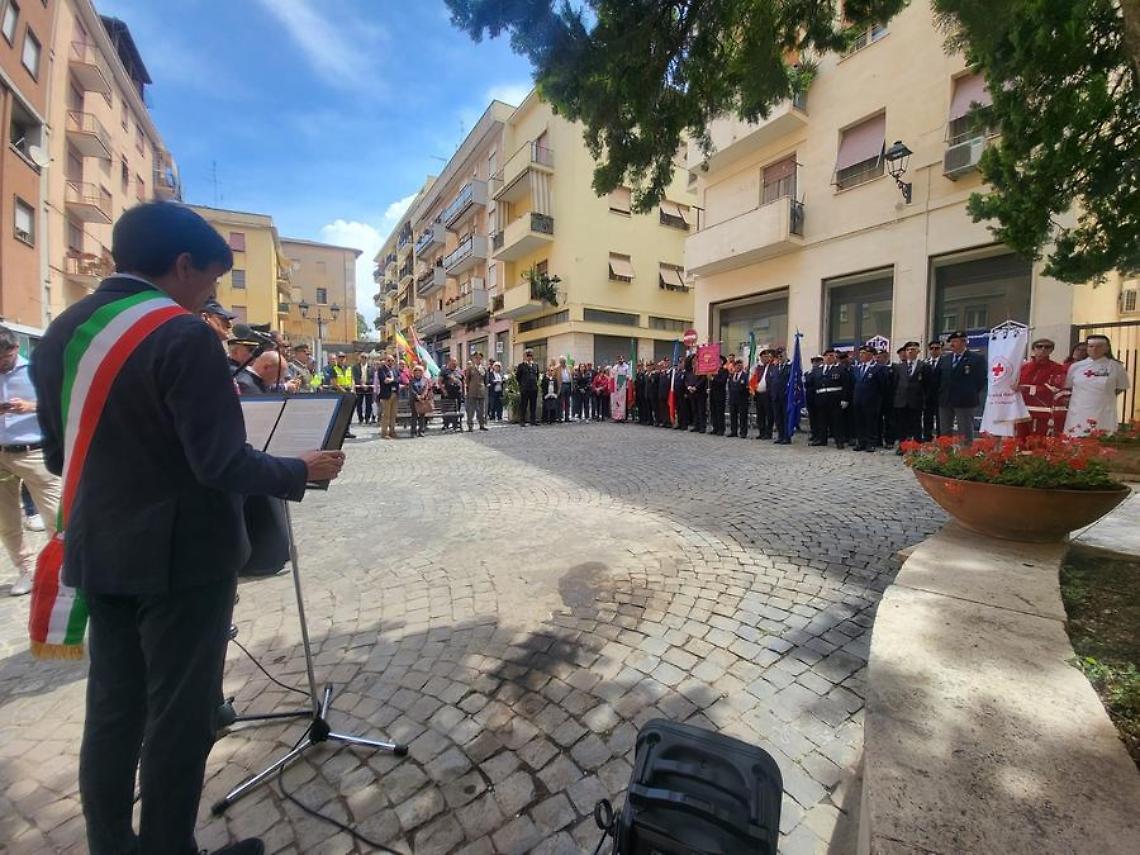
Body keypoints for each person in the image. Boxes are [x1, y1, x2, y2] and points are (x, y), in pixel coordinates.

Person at [31, 202, 344, 855]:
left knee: (114, 714)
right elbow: (221, 462)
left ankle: (112, 845)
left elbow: (63, 456)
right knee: (178, 719)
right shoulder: (183, 335)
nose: (212, 295)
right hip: (182, 565)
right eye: (209, 277)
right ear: (180, 264)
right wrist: (300, 467)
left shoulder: (64, 332)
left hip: (100, 552)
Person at [0, 327, 62, 596]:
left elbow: (60, 402)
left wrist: (30, 406)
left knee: (56, 519)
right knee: (7, 522)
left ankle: (61, 572)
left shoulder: (36, 370)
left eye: (3, 357)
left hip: (36, 453)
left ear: (14, 349)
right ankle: (25, 571)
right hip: (2, 454)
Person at [1063, 334, 1130, 436]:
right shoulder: (1075, 367)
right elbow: (1069, 387)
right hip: (1078, 411)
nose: (1094, 349)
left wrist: (1102, 396)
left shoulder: (1116, 367)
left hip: (1104, 412)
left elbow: (1120, 387)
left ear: (1107, 348)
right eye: (1091, 346)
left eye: (1099, 346)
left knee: (1102, 441)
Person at [936, 330, 987, 443]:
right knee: (944, 431)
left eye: (955, 341)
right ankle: (945, 456)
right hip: (945, 399)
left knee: (965, 431)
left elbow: (981, 380)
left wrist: (970, 392)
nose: (952, 344)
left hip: (965, 400)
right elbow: (938, 379)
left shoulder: (976, 358)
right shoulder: (945, 359)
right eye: (951, 341)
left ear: (964, 342)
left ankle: (965, 456)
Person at [1016, 339, 1068, 438]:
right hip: (1022, 411)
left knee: (1037, 443)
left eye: (1047, 347)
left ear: (1051, 350)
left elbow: (1055, 388)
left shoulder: (1057, 368)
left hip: (1042, 412)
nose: (1043, 349)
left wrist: (1026, 389)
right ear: (1033, 349)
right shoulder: (1024, 367)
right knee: (1020, 441)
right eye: (1039, 346)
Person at [852, 343, 890, 452]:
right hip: (858, 400)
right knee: (859, 422)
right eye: (860, 353)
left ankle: (871, 443)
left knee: (871, 423)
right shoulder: (856, 368)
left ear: (871, 355)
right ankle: (861, 442)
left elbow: (884, 385)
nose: (861, 355)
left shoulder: (879, 368)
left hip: (872, 400)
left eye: (864, 353)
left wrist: (878, 398)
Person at [891, 341, 928, 452]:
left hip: (916, 400)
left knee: (916, 425)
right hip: (901, 400)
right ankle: (903, 446)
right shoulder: (899, 367)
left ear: (918, 351)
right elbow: (895, 383)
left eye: (913, 349)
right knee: (901, 425)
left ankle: (916, 447)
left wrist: (924, 398)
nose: (910, 351)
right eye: (908, 350)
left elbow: (928, 385)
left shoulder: (924, 366)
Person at [812, 349, 851, 449]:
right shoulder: (817, 370)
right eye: (828, 356)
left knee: (837, 421)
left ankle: (839, 441)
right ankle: (822, 439)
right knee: (822, 420)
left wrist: (845, 399)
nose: (830, 357)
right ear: (824, 357)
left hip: (835, 399)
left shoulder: (841, 369)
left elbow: (846, 384)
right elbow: (813, 385)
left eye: (832, 356)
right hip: (821, 398)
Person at [922, 341, 943, 441]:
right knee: (927, 418)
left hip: (940, 395)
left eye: (937, 348)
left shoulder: (944, 362)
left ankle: (940, 438)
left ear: (941, 350)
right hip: (927, 396)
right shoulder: (925, 363)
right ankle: (927, 436)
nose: (934, 350)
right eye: (932, 348)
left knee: (940, 419)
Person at [751, 350, 774, 440]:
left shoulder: (772, 367)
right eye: (763, 356)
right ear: (760, 358)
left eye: (767, 356)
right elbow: (754, 379)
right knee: (760, 414)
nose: (765, 358)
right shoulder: (758, 368)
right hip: (759, 394)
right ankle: (762, 432)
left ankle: (768, 433)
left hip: (767, 394)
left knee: (769, 414)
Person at [375, 355, 399, 439]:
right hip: (386, 395)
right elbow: (385, 380)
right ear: (385, 361)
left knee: (393, 414)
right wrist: (393, 380)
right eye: (389, 360)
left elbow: (398, 379)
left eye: (392, 360)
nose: (391, 362)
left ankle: (392, 431)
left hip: (395, 394)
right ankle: (384, 433)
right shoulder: (381, 369)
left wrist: (392, 380)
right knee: (386, 415)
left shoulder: (395, 369)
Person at [464, 351, 488, 431]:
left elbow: (485, 380)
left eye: (480, 358)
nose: (478, 360)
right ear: (474, 359)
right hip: (472, 391)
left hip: (481, 391)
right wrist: (468, 389)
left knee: (481, 410)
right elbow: (467, 380)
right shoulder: (470, 368)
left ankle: (482, 424)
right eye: (477, 358)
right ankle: (470, 426)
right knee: (471, 410)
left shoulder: (484, 368)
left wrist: (485, 387)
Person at [439, 357, 464, 432]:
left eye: (455, 362)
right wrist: (444, 391)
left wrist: (463, 391)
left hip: (457, 393)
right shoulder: (444, 371)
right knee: (447, 410)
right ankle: (446, 424)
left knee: (457, 409)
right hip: (448, 394)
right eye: (453, 362)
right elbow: (439, 382)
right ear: (449, 362)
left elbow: (462, 381)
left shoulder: (459, 370)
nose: (454, 364)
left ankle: (455, 425)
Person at [515, 349, 540, 426]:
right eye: (527, 355)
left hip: (533, 388)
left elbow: (537, 376)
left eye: (531, 355)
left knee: (533, 405)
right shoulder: (521, 365)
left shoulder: (535, 365)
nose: (529, 357)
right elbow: (518, 377)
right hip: (525, 388)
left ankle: (533, 420)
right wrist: (522, 384)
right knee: (524, 405)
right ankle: (522, 421)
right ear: (525, 356)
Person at [683, 355, 707, 433]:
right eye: (693, 359)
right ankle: (696, 425)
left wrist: (695, 387)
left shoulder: (701, 369)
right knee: (694, 410)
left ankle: (702, 427)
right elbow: (686, 380)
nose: (694, 360)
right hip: (691, 393)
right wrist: (689, 387)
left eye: (695, 359)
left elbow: (703, 379)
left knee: (701, 410)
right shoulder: (689, 370)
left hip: (700, 393)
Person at [727, 359, 749, 438]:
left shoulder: (745, 375)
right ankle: (733, 431)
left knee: (743, 417)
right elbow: (729, 386)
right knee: (733, 416)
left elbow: (746, 387)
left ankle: (743, 432)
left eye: (740, 365)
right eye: (737, 365)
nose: (738, 367)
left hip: (742, 399)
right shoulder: (732, 375)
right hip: (733, 399)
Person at [409, 364, 432, 436]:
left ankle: (421, 431)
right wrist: (417, 396)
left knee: (422, 416)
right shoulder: (411, 380)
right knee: (414, 416)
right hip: (414, 400)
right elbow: (411, 390)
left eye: (420, 370)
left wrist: (422, 396)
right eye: (416, 370)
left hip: (422, 400)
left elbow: (426, 388)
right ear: (414, 372)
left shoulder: (425, 380)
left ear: (422, 372)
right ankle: (413, 432)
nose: (418, 372)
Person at [352, 353, 374, 425]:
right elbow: (355, 377)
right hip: (359, 387)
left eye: (365, 357)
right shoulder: (355, 367)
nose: (364, 359)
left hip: (369, 388)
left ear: (367, 359)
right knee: (359, 404)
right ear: (360, 358)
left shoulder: (371, 367)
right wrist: (361, 384)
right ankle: (360, 418)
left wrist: (366, 384)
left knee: (369, 404)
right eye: (362, 357)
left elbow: (372, 377)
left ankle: (367, 418)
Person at [709, 356, 728, 435]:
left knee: (719, 412)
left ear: (722, 362)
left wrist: (713, 379)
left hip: (720, 394)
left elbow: (722, 381)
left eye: (719, 361)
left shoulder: (724, 371)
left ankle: (721, 429)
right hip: (713, 393)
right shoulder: (713, 371)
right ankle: (715, 427)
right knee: (713, 411)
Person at [612, 357, 631, 422]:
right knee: (616, 402)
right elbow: (612, 376)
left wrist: (625, 377)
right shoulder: (615, 367)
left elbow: (629, 375)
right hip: (616, 387)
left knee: (623, 402)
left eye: (621, 359)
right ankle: (616, 417)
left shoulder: (626, 367)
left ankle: (623, 417)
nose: (620, 361)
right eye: (619, 360)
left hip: (623, 387)